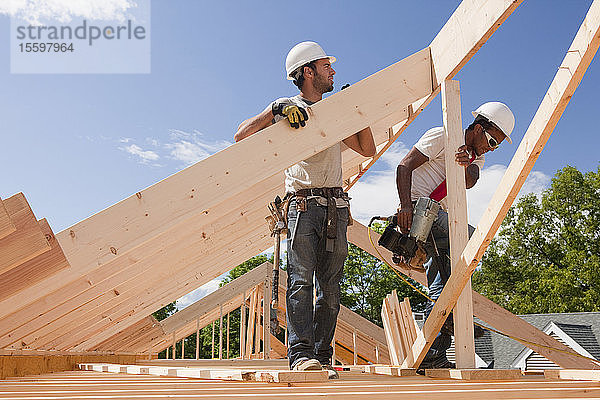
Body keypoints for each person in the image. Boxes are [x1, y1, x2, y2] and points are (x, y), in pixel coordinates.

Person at [234, 41, 375, 378]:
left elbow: (367, 149)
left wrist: (356, 111)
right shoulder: (289, 112)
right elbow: (241, 136)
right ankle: (300, 355)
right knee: (300, 281)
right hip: (302, 206)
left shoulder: (333, 115)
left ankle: (322, 357)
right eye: (327, 66)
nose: (334, 72)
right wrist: (275, 111)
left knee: (330, 288)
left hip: (335, 207)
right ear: (308, 71)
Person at [395, 102, 515, 369]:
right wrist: (404, 207)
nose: (490, 148)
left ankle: (433, 352)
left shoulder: (475, 157)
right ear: (477, 128)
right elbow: (404, 168)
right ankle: (447, 323)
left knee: (443, 282)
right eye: (491, 140)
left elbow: (471, 179)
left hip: (438, 219)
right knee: (471, 238)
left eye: (497, 146)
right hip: (418, 209)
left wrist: (463, 164)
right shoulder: (441, 136)